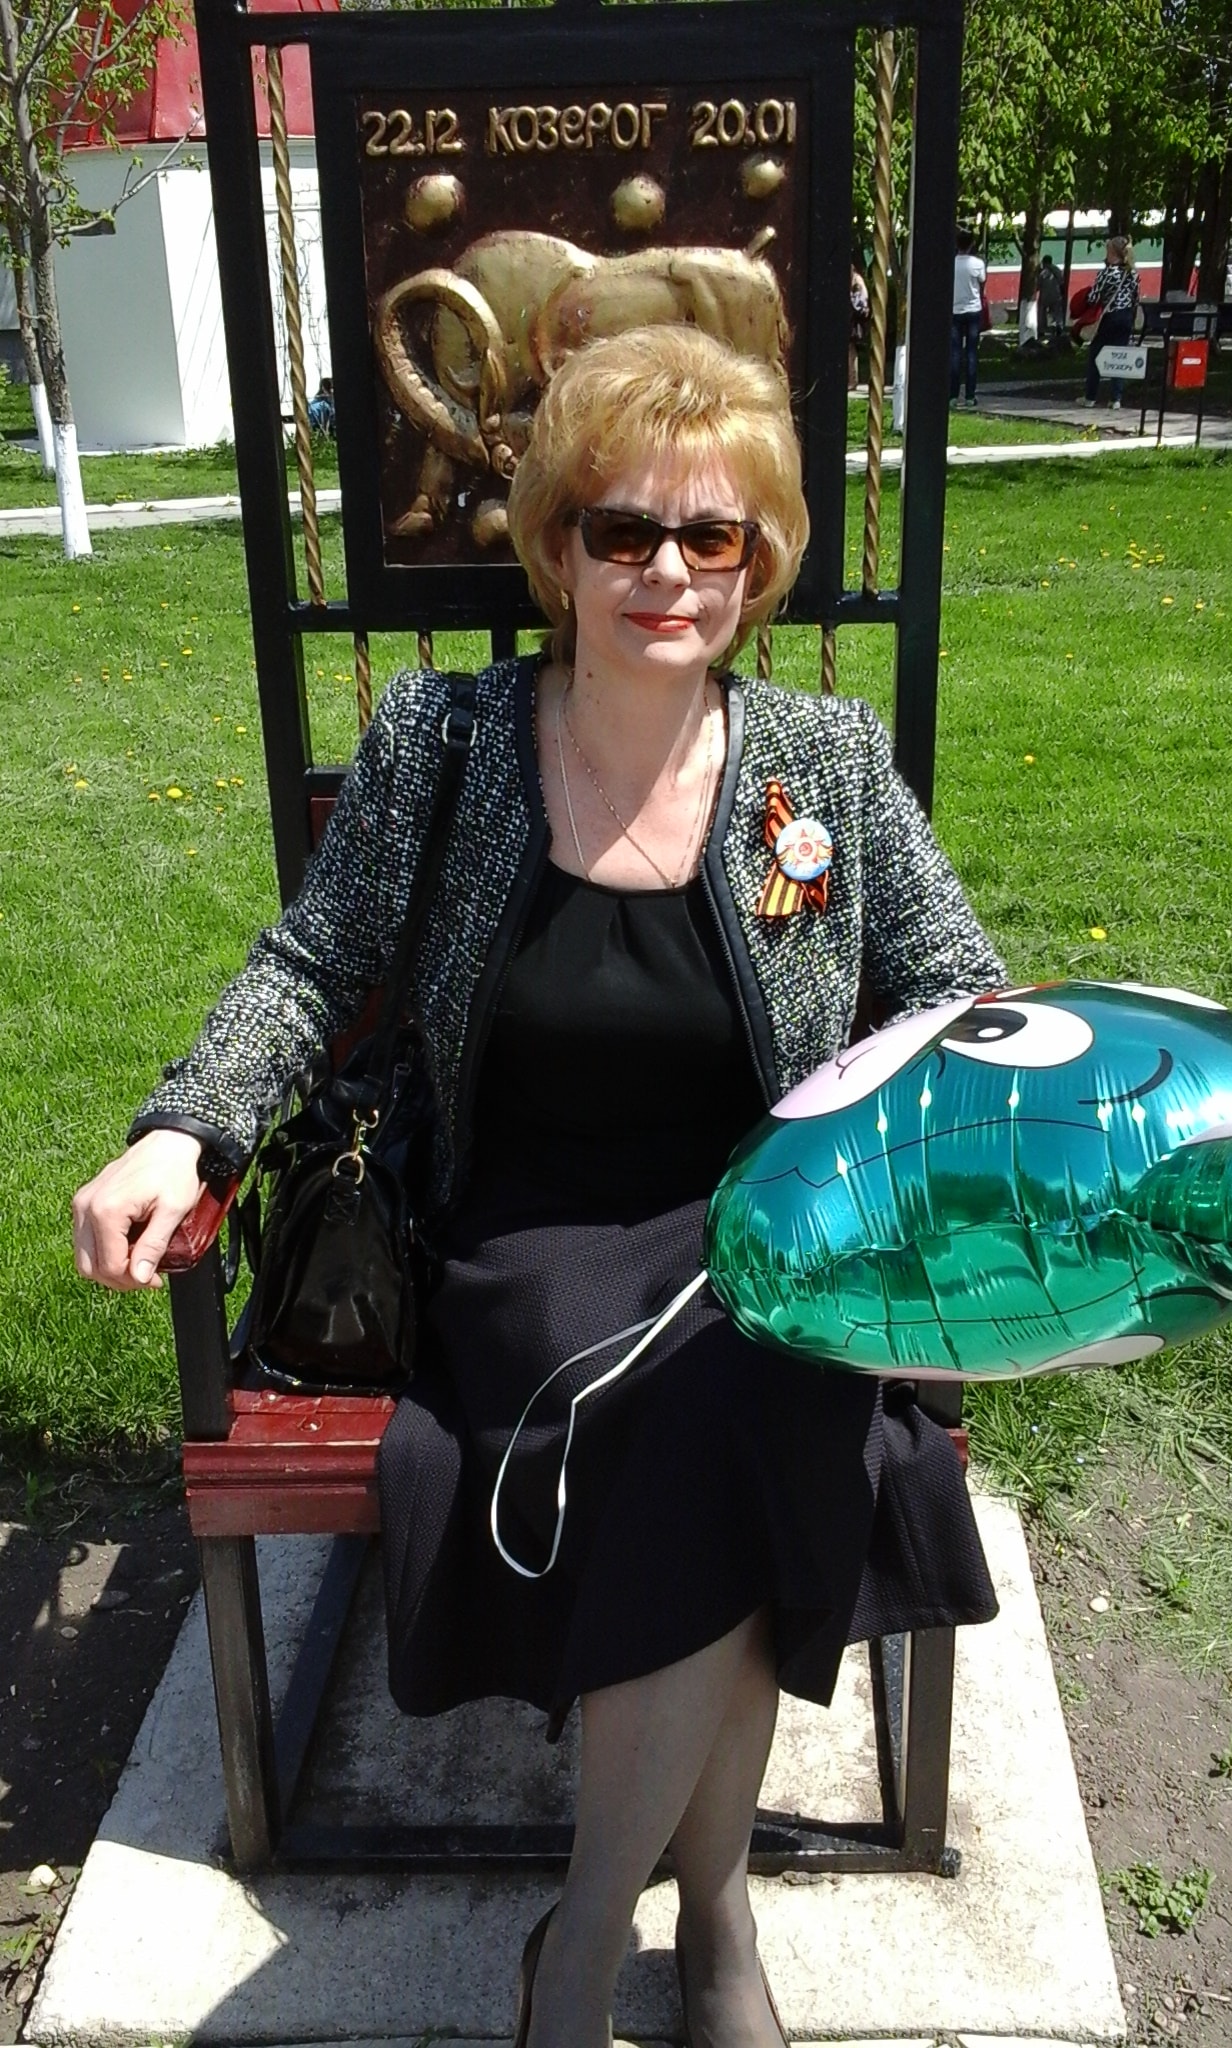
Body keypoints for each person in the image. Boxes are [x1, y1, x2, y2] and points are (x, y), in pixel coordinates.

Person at [73, 324, 1003, 2048]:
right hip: (529, 1232)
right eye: (623, 528)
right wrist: (186, 1128)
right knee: (714, 1412)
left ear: (759, 561)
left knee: (765, 1382)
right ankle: (671, 1932)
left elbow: (958, 989)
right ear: (557, 545)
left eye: (710, 534)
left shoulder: (821, 763)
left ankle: (632, 1928)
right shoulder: (447, 740)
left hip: (764, 1223)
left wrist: (1013, 1115)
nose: (667, 570)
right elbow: (314, 958)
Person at [1082, 237, 1140, 408]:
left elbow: (1093, 297)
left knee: (1096, 354)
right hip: (1126, 317)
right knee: (1119, 357)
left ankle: (1090, 397)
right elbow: (1136, 298)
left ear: (1113, 253)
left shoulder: (1106, 273)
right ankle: (1116, 399)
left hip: (1109, 317)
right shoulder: (1133, 273)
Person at [950, 229, 986, 408]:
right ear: (972, 244)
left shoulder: (951, 264)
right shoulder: (977, 263)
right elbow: (982, 281)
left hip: (955, 310)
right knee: (971, 352)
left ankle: (952, 396)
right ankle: (970, 396)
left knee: (954, 353)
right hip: (973, 310)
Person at [849, 261, 869, 391]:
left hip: (854, 321)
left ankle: (852, 380)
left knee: (850, 350)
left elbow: (859, 303)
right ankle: (851, 379)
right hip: (852, 319)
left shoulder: (857, 282)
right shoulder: (854, 281)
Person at [1036, 255, 1065, 341]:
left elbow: (1038, 286)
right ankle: (1059, 326)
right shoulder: (1057, 270)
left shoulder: (1043, 272)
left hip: (1045, 296)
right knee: (1057, 312)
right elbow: (1061, 283)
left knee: (1041, 312)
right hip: (1056, 295)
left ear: (1044, 262)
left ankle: (1041, 330)